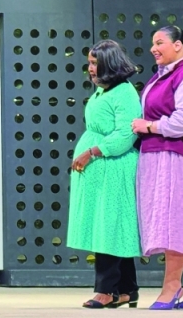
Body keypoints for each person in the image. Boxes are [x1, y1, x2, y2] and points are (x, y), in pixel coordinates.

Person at [131, 25, 183, 310]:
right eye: (152, 43)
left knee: (176, 223)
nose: (153, 48)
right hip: (163, 156)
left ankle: (172, 286)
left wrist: (149, 126)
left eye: (159, 42)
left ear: (178, 45)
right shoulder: (164, 74)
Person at [66, 39, 142, 308]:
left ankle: (106, 290)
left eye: (95, 63)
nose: (90, 68)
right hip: (101, 171)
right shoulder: (103, 90)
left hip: (115, 168)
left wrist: (92, 152)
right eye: (89, 63)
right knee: (113, 228)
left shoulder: (124, 93)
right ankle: (127, 289)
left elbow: (125, 135)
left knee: (108, 227)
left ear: (109, 63)